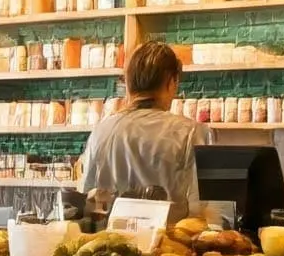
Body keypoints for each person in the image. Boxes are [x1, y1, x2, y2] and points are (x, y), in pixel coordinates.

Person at [78, 41, 207, 224]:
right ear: (172, 82)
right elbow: (203, 211)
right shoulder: (193, 133)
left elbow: (87, 198)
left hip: (108, 246)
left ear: (129, 83)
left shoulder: (101, 131)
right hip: (167, 248)